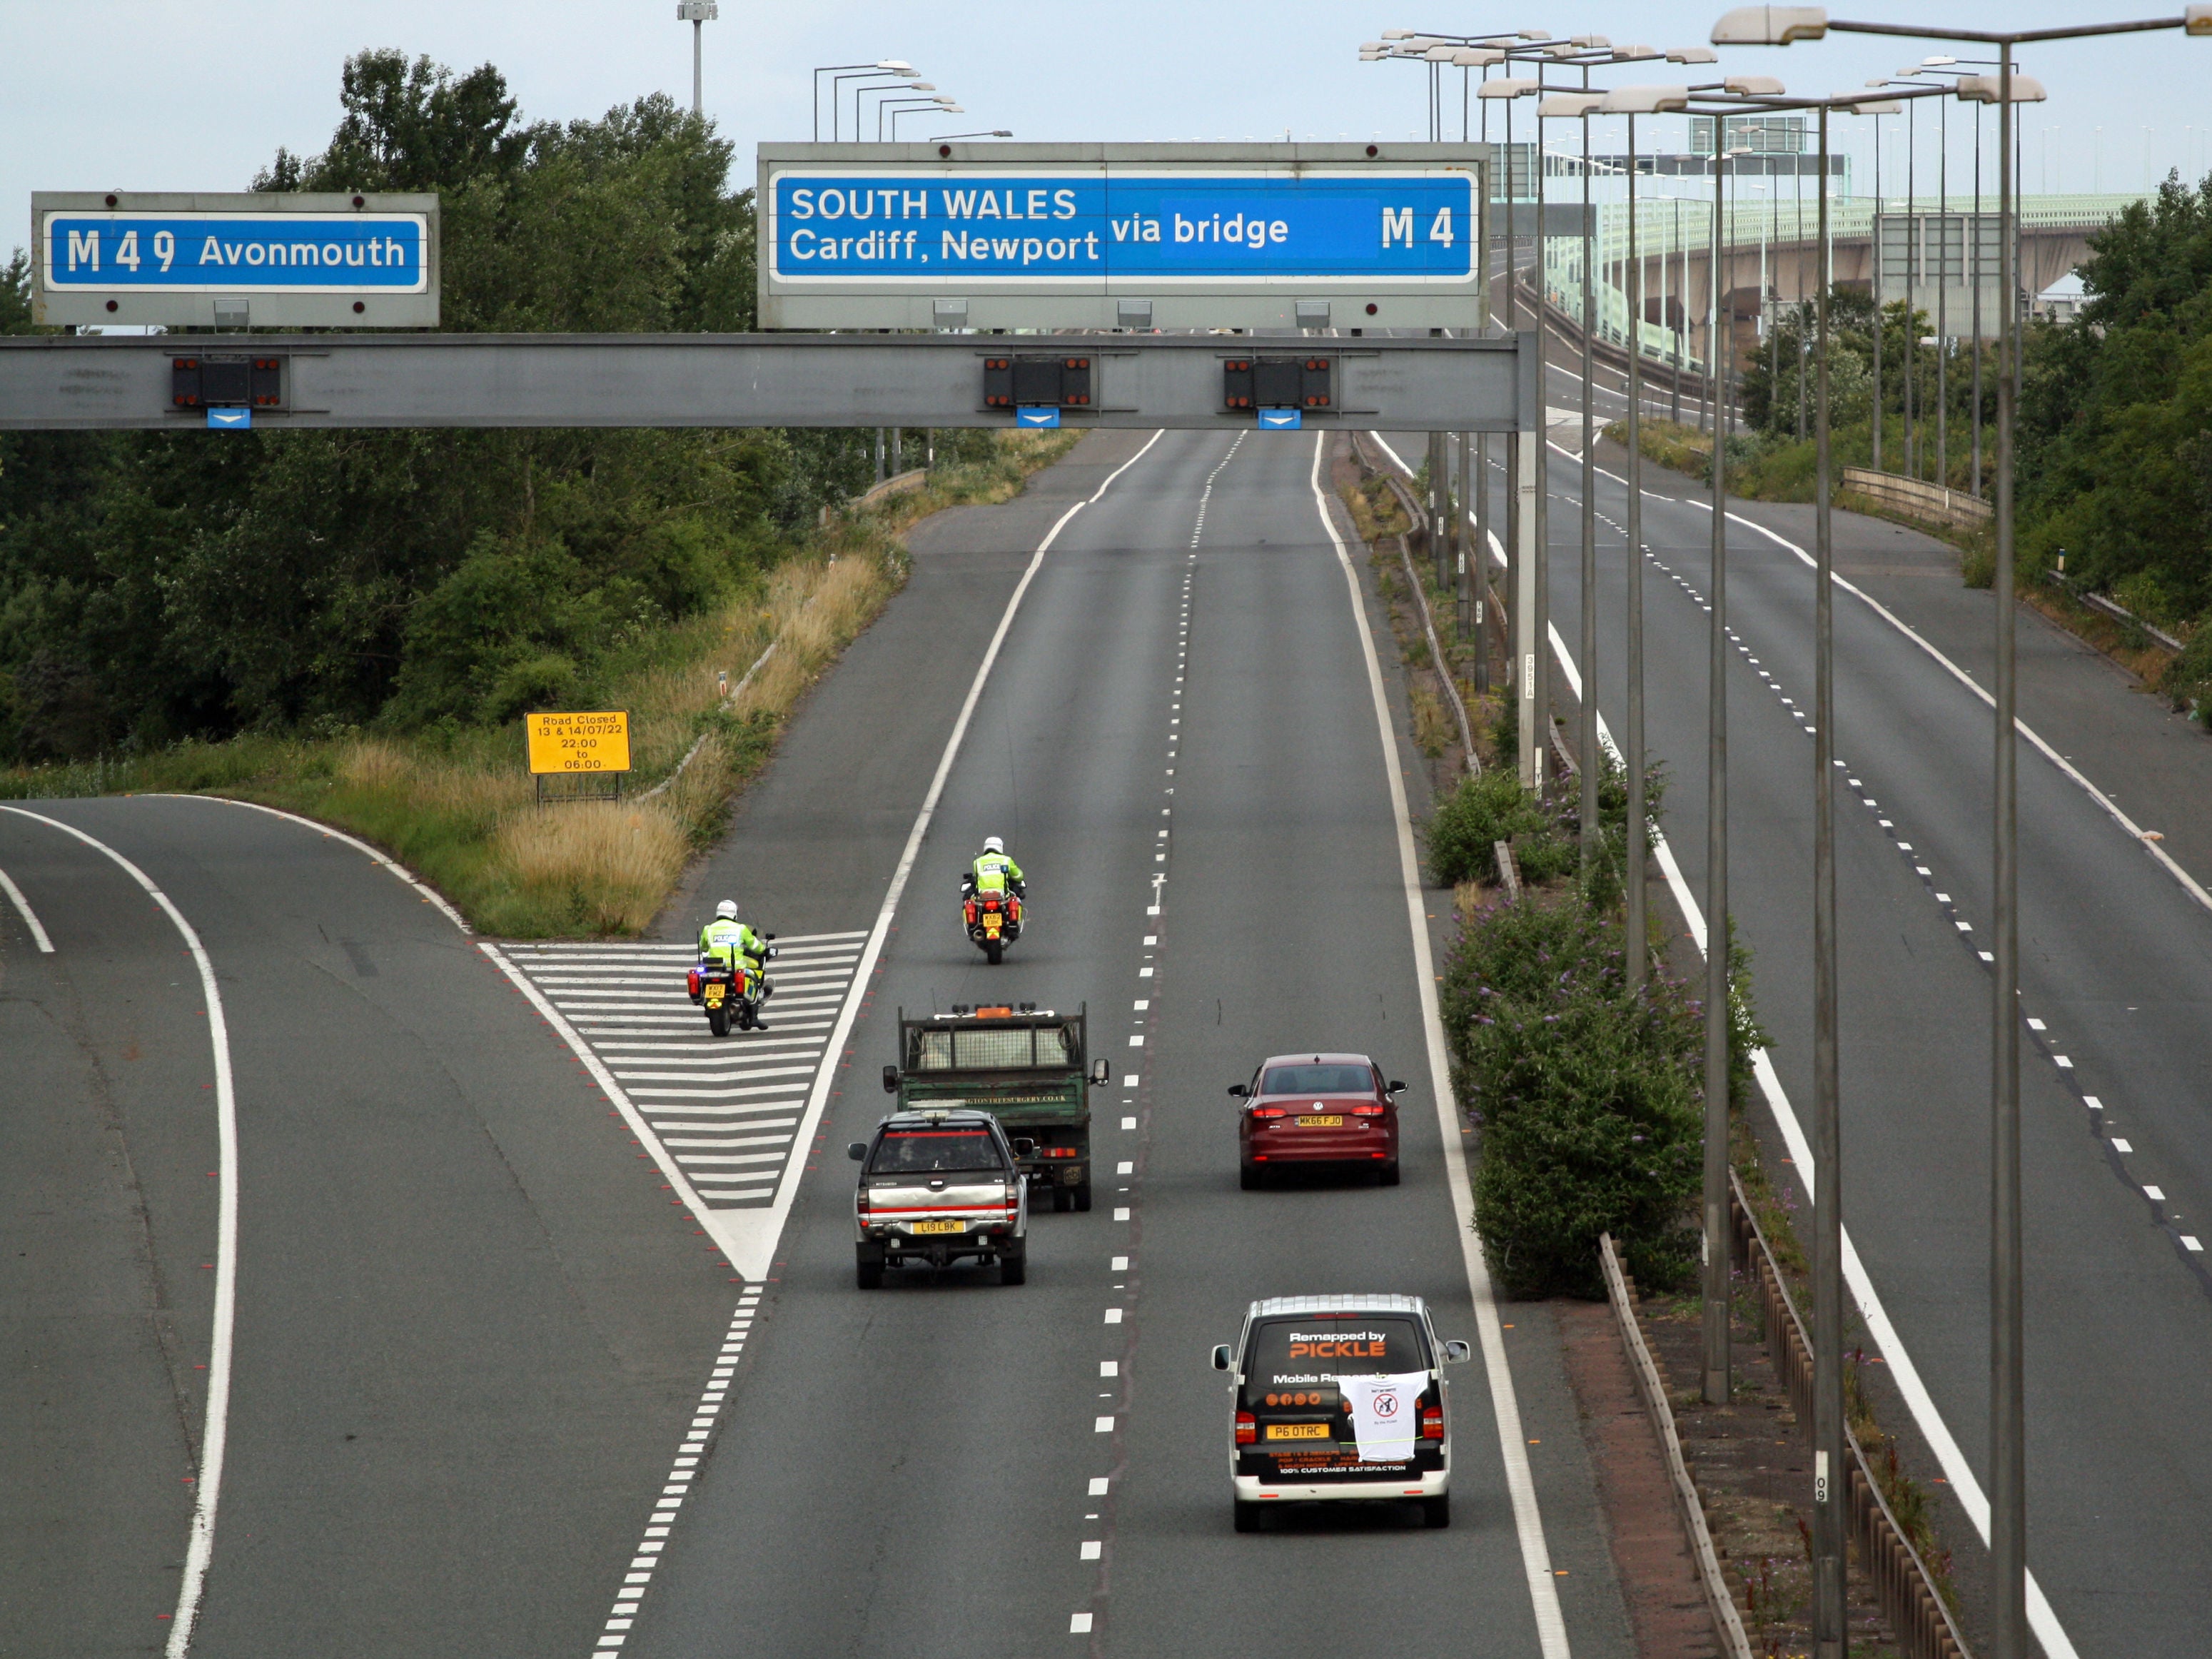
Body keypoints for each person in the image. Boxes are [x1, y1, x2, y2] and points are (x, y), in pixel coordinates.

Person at [698, 899, 773, 1027]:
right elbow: (755, 946)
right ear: (734, 914)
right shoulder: (740, 928)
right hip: (736, 967)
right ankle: (754, 1017)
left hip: (713, 968)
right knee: (755, 980)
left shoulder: (708, 929)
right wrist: (764, 950)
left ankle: (709, 1006)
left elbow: (703, 947)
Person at [962, 836, 1025, 905]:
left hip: (982, 896)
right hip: (1003, 894)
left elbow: (977, 877)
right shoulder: (1006, 860)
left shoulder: (977, 862)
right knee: (1016, 900)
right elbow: (1018, 876)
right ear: (1000, 847)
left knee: (969, 902)